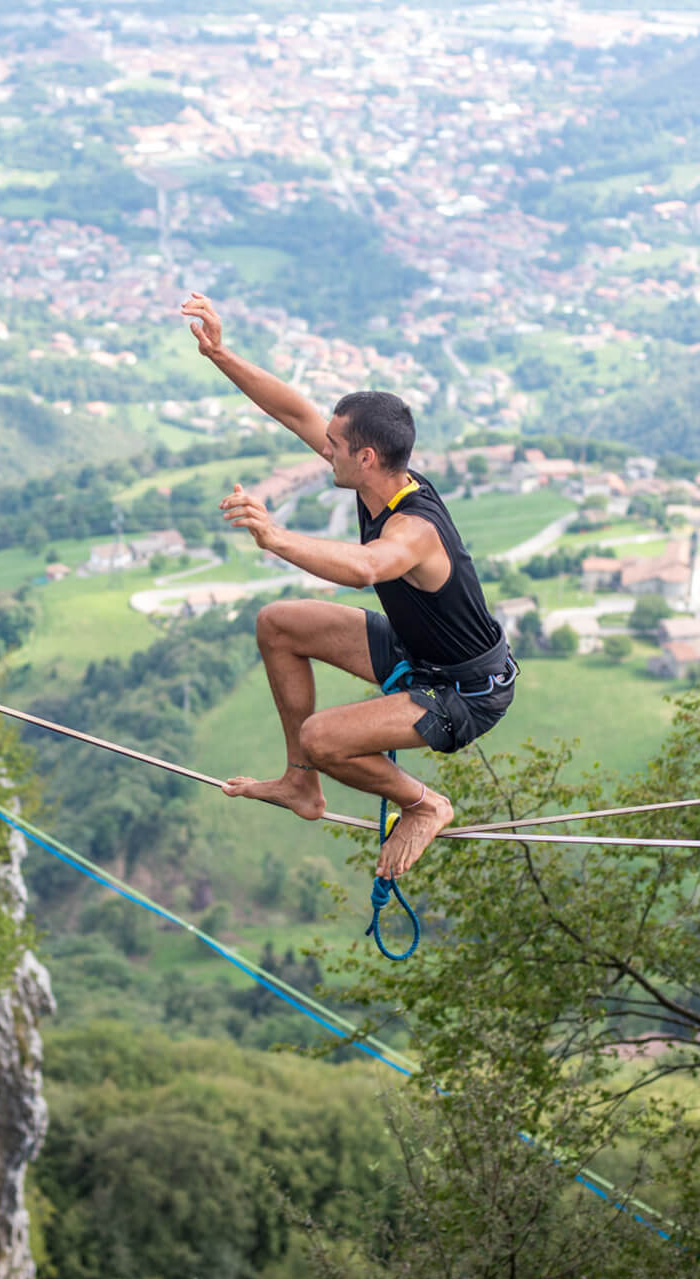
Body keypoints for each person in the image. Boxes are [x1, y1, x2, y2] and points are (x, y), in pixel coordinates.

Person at [181, 292, 515, 880]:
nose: (323, 448)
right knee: (278, 625)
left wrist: (275, 536)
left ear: (365, 456)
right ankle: (299, 784)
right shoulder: (380, 478)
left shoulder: (414, 529)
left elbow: (365, 568)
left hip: (465, 690)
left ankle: (424, 804)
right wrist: (219, 354)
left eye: (334, 446)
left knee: (323, 738)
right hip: (419, 652)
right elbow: (295, 412)